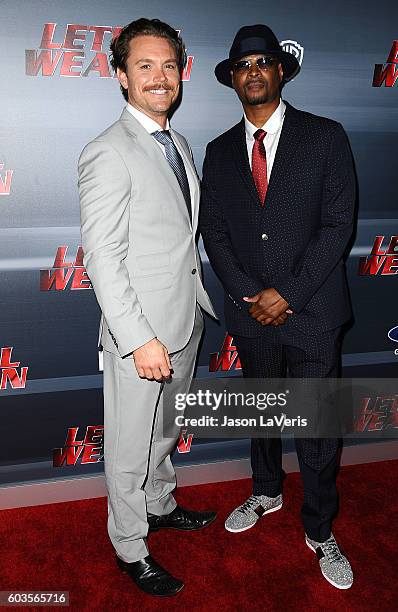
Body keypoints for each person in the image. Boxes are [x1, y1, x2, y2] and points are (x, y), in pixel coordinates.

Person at [200, 24, 355, 589]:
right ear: (233, 80)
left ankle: (320, 529)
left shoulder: (326, 136)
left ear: (282, 71)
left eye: (265, 62)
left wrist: (288, 292)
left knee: (316, 426)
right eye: (244, 65)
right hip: (249, 314)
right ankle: (265, 492)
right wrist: (249, 293)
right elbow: (213, 233)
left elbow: (339, 225)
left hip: (312, 313)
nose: (255, 72)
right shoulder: (217, 152)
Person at [78, 18, 217, 597]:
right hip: (143, 335)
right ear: (120, 76)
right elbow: (102, 258)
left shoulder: (177, 142)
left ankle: (159, 506)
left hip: (185, 318)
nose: (159, 78)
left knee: (165, 431)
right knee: (131, 445)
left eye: (168, 66)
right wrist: (139, 337)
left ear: (181, 73)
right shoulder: (108, 152)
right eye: (144, 66)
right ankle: (130, 544)